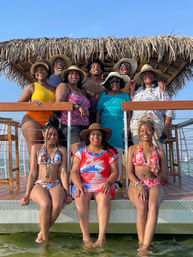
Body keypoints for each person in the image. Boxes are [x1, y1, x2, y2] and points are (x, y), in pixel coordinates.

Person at [20, 116, 72, 243]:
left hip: (55, 184)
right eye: (49, 134)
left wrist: (67, 192)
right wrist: (26, 194)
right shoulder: (36, 148)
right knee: (46, 204)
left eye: (54, 135)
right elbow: (32, 172)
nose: (52, 137)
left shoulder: (62, 150)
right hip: (39, 184)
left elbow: (64, 172)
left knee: (58, 204)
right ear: (43, 134)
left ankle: (42, 232)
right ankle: (46, 238)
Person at [71, 123, 118, 247]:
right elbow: (74, 171)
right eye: (93, 134)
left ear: (102, 137)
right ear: (89, 137)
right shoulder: (81, 151)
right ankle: (86, 238)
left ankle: (101, 238)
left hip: (102, 183)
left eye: (98, 134)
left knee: (104, 197)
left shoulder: (109, 152)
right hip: (84, 184)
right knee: (80, 198)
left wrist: (108, 183)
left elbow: (115, 172)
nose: (95, 137)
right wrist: (78, 184)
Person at [127, 116, 168, 256]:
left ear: (153, 132)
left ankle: (145, 246)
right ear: (139, 132)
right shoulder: (132, 149)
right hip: (136, 183)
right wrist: (139, 185)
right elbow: (129, 173)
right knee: (142, 206)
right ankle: (141, 244)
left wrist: (157, 174)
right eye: (142, 130)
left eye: (148, 130)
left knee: (153, 206)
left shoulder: (160, 152)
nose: (145, 132)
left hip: (154, 183)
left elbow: (165, 178)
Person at [130, 64, 175, 149]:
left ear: (154, 76)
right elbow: (132, 106)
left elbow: (169, 109)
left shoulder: (160, 89)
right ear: (142, 78)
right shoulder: (138, 91)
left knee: (156, 151)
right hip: (137, 126)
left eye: (150, 74)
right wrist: (132, 91)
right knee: (138, 152)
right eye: (145, 74)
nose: (147, 76)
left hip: (155, 124)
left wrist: (167, 126)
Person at [96, 72, 130, 182]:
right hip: (105, 128)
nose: (115, 83)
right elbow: (98, 113)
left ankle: (117, 181)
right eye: (112, 81)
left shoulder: (125, 96)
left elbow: (129, 115)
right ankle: (104, 180)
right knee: (105, 154)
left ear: (120, 83)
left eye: (117, 81)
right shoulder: (103, 96)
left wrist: (127, 128)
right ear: (108, 84)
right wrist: (97, 128)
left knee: (118, 154)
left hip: (119, 128)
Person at [18, 61, 56, 159]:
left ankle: (46, 173)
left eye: (42, 69)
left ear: (47, 73)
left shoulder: (54, 89)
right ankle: (33, 174)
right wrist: (32, 104)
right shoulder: (32, 86)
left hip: (49, 122)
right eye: (37, 71)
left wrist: (55, 105)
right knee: (34, 150)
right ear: (35, 74)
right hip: (31, 119)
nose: (40, 72)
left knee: (51, 150)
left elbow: (60, 107)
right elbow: (19, 104)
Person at [55, 65, 90, 154]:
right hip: (71, 124)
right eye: (71, 73)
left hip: (85, 125)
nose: (74, 75)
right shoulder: (64, 86)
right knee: (80, 153)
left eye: (76, 74)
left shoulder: (82, 90)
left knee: (84, 154)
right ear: (67, 76)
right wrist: (77, 106)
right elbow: (59, 103)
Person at [82, 59, 105, 124]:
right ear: (90, 70)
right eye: (93, 67)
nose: (96, 68)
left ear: (101, 70)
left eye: (98, 67)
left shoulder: (105, 84)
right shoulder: (85, 84)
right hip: (88, 113)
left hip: (102, 113)